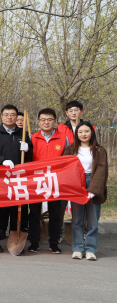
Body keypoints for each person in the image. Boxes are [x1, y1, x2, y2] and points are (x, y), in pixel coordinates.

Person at [0, 104, 32, 253]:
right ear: (1, 116)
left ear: (17, 117)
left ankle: (16, 240)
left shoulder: (23, 134)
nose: (9, 117)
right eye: (6, 114)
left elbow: (30, 156)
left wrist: (28, 149)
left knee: (17, 210)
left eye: (12, 115)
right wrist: (2, 161)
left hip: (18, 178)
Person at [27, 108, 70, 254]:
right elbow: (27, 159)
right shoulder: (32, 138)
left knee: (55, 213)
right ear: (38, 122)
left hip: (55, 180)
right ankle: (34, 242)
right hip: (36, 180)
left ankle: (54, 242)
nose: (46, 122)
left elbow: (67, 159)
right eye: (43, 120)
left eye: (49, 119)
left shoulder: (63, 138)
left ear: (55, 121)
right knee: (34, 212)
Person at [64, 122, 108, 261]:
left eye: (86, 131)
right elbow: (64, 168)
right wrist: (72, 187)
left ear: (92, 132)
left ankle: (90, 249)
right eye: (80, 131)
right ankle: (77, 248)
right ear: (76, 134)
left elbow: (101, 170)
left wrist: (93, 190)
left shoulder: (99, 150)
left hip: (93, 181)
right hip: (76, 183)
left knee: (92, 220)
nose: (83, 134)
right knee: (76, 219)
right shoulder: (70, 149)